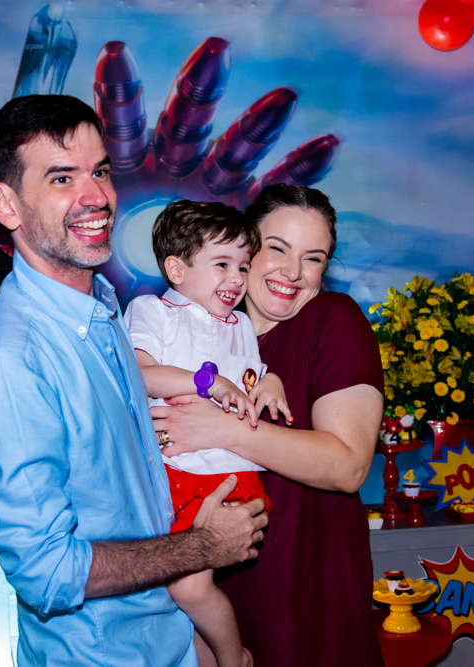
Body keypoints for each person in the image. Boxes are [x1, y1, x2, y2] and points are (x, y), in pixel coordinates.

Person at [0, 95, 268, 667]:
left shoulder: (103, 306)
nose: (97, 196)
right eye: (61, 178)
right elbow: (47, 573)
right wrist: (201, 547)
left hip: (171, 644)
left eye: (100, 171)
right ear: (5, 204)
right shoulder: (12, 358)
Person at [150, 184, 385, 667]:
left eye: (313, 258)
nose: (293, 272)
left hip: (307, 598)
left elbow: (349, 466)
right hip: (210, 586)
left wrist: (224, 428)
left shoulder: (331, 319)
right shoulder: (203, 333)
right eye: (277, 249)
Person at [124, 200, 293, 667]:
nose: (237, 278)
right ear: (176, 269)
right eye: (222, 264)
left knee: (187, 586)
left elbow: (253, 378)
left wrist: (272, 382)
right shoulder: (152, 311)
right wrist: (207, 381)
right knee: (162, 589)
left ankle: (234, 659)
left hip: (222, 476)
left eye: (243, 266)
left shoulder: (240, 325)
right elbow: (141, 375)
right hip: (169, 473)